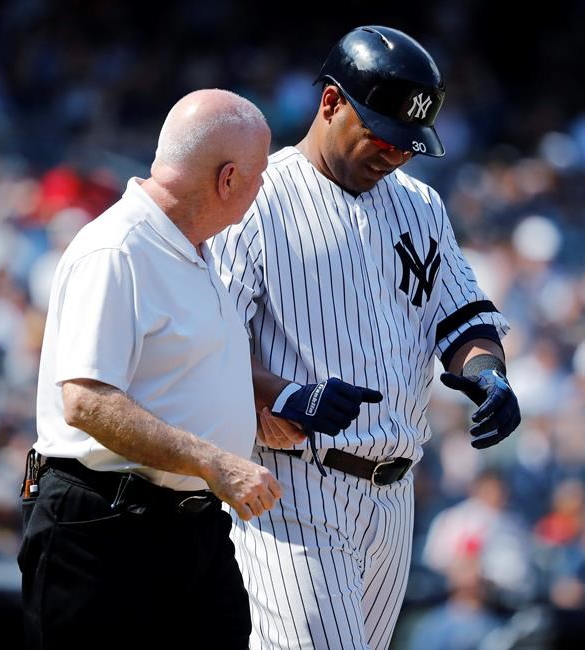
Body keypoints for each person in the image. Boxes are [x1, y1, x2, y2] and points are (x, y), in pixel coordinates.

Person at [208, 26, 521, 650]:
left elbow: (464, 320)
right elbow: (211, 341)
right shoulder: (258, 197)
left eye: (409, 144)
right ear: (330, 104)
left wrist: (487, 372)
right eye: (382, 135)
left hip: (393, 498)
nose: (396, 154)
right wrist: (285, 393)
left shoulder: (421, 205)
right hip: (292, 483)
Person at [18, 88, 282, 650]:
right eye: (259, 175)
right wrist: (216, 460)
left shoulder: (195, 249)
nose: (263, 189)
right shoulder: (117, 249)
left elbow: (178, 376)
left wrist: (258, 408)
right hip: (104, 529)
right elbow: (87, 401)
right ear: (227, 178)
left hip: (192, 530)